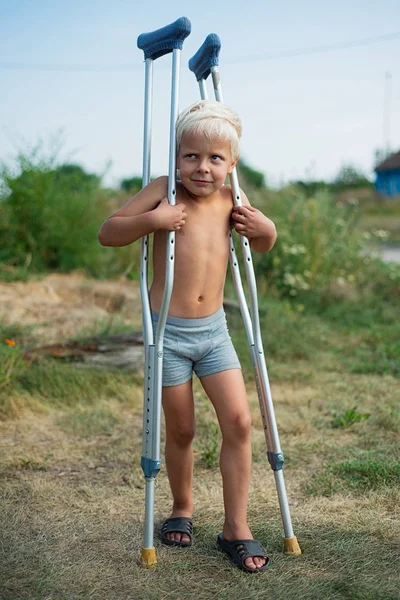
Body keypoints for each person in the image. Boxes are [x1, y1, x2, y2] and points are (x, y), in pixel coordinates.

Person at [98, 100, 277, 573]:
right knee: (181, 429)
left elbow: (258, 242)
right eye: (191, 156)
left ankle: (235, 527)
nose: (203, 167)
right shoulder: (164, 191)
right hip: (167, 333)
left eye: (215, 158)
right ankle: (182, 506)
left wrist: (267, 230)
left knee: (239, 422)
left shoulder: (233, 197)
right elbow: (109, 231)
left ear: (231, 164)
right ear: (177, 157)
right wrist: (151, 221)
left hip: (214, 332)